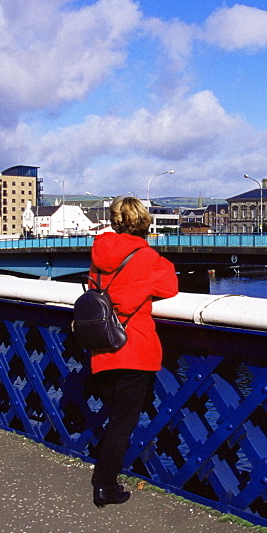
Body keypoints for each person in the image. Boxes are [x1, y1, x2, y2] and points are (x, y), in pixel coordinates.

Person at [87, 195, 178, 508]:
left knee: (114, 417)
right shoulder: (147, 256)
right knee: (122, 423)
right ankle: (104, 485)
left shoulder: (99, 252)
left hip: (102, 347)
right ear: (144, 222)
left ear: (114, 220)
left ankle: (105, 481)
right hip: (135, 347)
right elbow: (170, 287)